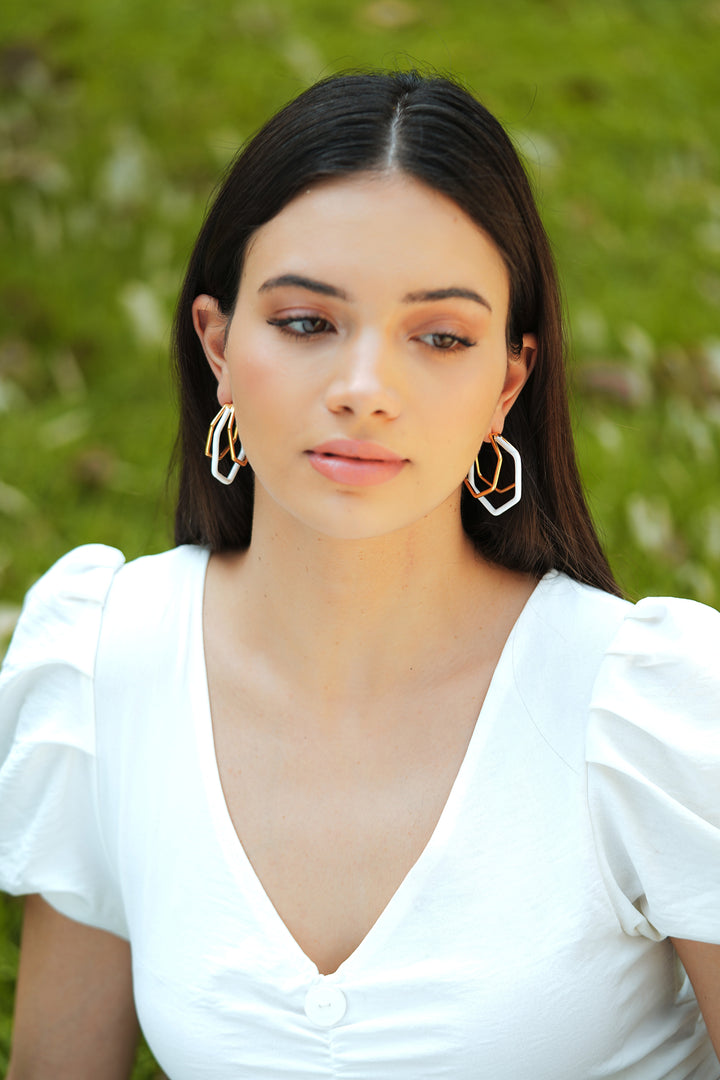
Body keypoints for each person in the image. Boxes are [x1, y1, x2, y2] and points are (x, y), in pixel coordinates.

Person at [1, 68, 718, 1079]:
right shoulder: (103, 661)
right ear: (217, 342)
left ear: (506, 381)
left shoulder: (652, 715)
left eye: (439, 337)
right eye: (306, 323)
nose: (364, 390)